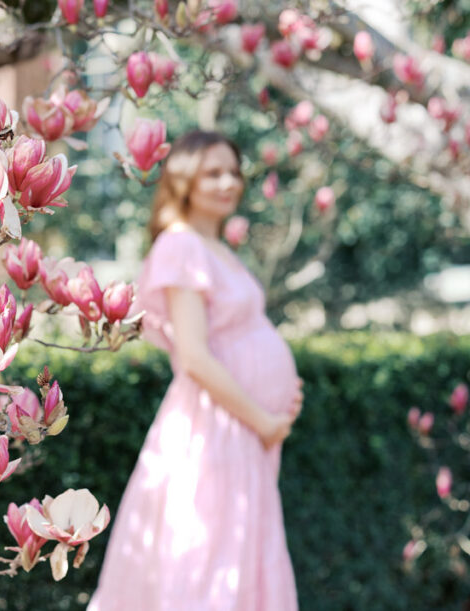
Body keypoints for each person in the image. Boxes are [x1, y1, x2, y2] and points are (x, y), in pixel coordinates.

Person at [88, 130, 304, 610]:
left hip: (238, 430)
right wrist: (264, 419)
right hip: (217, 428)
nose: (228, 182)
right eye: (213, 172)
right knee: (208, 561)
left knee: (236, 558)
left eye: (233, 171)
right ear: (184, 180)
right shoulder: (181, 246)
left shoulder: (214, 247)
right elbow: (194, 357)